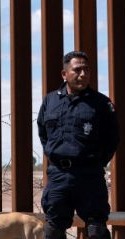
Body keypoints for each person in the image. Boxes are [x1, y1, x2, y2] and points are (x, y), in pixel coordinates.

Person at [37, 51, 119, 239]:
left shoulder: (100, 103)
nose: (83, 74)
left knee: (96, 229)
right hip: (59, 175)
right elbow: (43, 133)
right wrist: (56, 156)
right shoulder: (50, 101)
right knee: (53, 228)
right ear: (64, 74)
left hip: (89, 175)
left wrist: (94, 162)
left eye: (86, 70)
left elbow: (112, 138)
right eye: (77, 70)